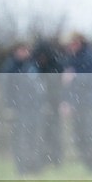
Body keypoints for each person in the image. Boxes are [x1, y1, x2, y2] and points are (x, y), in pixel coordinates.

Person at [61, 31, 92, 174]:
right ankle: (90, 167)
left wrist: (74, 77)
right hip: (79, 105)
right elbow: (69, 86)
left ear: (78, 42)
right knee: (80, 137)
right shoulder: (72, 58)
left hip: (91, 104)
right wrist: (67, 102)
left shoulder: (91, 57)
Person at [1, 42, 44, 175]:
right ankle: (22, 168)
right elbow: (6, 89)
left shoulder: (32, 65)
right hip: (19, 109)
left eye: (27, 49)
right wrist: (10, 106)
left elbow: (38, 85)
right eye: (23, 49)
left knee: (34, 138)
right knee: (21, 139)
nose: (26, 52)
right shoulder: (10, 67)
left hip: (33, 108)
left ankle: (33, 167)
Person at [32, 39, 65, 167]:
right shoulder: (35, 66)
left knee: (54, 133)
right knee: (41, 134)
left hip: (54, 104)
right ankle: (43, 160)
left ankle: (56, 160)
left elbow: (60, 87)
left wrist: (57, 102)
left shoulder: (56, 65)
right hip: (40, 105)